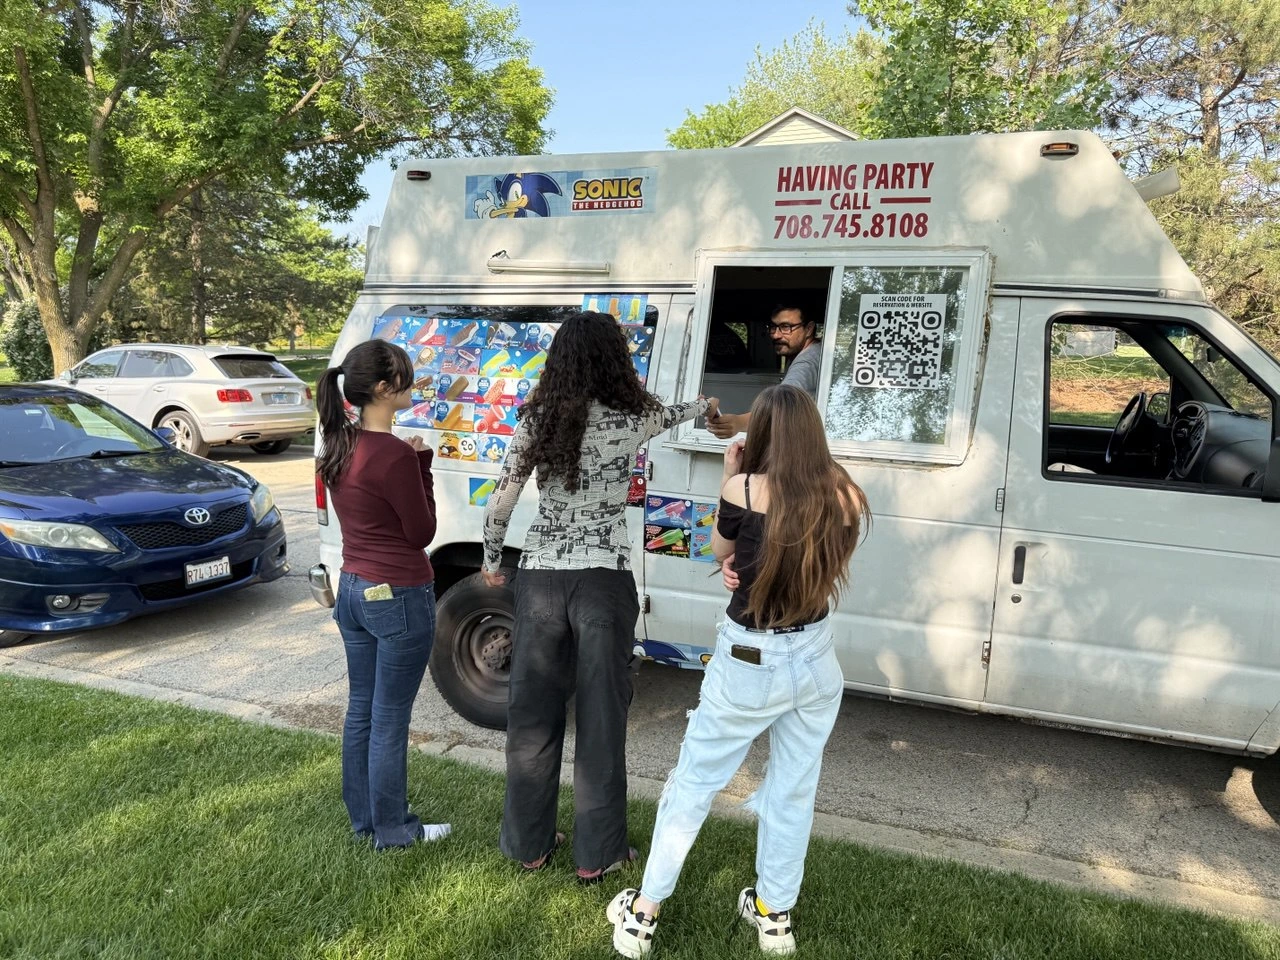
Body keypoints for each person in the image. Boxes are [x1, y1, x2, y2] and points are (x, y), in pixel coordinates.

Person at [607, 384, 870, 957]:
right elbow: (791, 560)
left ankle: (644, 912)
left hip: (751, 660)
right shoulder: (845, 494)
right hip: (817, 660)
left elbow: (719, 549)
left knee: (694, 782)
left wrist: (731, 474)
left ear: (767, 434)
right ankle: (774, 915)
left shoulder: (744, 487)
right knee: (794, 790)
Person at [481, 311, 719, 883]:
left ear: (559, 359)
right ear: (615, 357)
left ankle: (528, 843)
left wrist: (492, 563)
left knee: (532, 717)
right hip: (604, 583)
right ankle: (598, 852)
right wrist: (707, 406)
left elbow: (502, 501)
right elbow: (680, 412)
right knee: (602, 717)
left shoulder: (537, 418)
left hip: (540, 580)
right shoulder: (633, 415)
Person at [316, 339, 450, 849]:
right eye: (404, 378)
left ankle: (366, 820)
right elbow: (420, 533)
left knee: (362, 710)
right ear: (381, 389)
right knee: (390, 719)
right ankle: (393, 830)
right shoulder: (392, 454)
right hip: (397, 593)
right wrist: (422, 467)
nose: (411, 385)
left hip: (352, 589)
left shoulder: (339, 442)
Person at [707, 305, 820, 439]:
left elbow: (782, 405)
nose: (775, 335)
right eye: (773, 327)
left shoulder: (806, 363)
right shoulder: (813, 351)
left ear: (809, 329)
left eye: (786, 327)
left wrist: (738, 423)